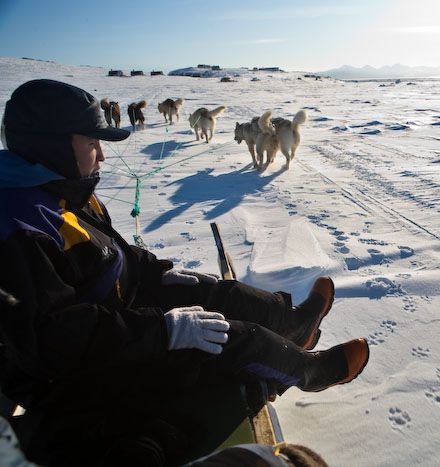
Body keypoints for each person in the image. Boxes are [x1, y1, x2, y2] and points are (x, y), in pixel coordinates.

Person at [0, 79, 370, 466]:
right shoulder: (16, 229)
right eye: (92, 144)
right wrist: (165, 331)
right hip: (86, 367)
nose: (103, 156)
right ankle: (311, 372)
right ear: (51, 145)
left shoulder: (61, 190)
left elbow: (115, 254)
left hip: (120, 309)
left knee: (219, 293)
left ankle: (295, 325)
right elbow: (52, 342)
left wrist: (159, 273)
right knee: (229, 336)